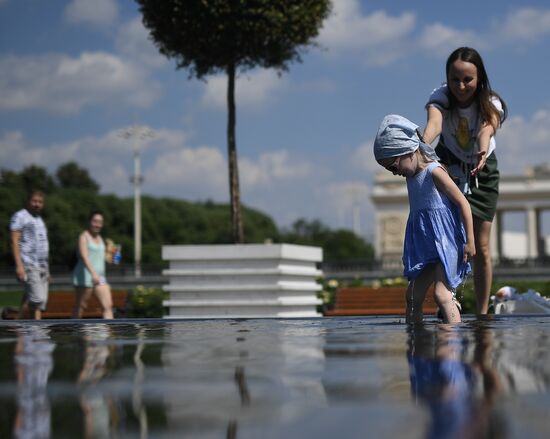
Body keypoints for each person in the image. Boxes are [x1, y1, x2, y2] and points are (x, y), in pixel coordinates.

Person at [421, 47, 508, 314]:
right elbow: (435, 123)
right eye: (454, 79)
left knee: (480, 246)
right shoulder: (440, 97)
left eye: (467, 79)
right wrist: (422, 143)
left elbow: (487, 128)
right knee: (450, 237)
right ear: (447, 78)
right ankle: (449, 299)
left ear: (479, 78)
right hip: (450, 166)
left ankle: (482, 312)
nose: (461, 86)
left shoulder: (491, 102)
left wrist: (482, 148)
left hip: (482, 171)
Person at [374, 114, 475, 323]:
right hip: (427, 247)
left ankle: (452, 344)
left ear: (408, 152)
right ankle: (416, 339)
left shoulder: (434, 172)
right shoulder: (411, 178)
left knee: (441, 294)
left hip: (448, 243)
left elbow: (462, 203)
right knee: (412, 296)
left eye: (393, 166)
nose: (394, 173)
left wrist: (470, 242)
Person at [10, 190, 50, 320]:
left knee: (38, 303)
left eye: (40, 202)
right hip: (28, 263)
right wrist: (19, 265)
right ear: (28, 201)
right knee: (37, 299)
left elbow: (43, 244)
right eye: (34, 201)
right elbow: (14, 240)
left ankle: (32, 331)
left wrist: (48, 270)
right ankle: (17, 321)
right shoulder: (20, 216)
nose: (37, 204)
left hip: (42, 266)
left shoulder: (39, 219)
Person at [72, 210, 114, 319]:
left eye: (100, 222)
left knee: (108, 306)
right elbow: (84, 257)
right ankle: (77, 333)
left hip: (100, 278)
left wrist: (112, 256)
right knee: (80, 307)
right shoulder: (83, 237)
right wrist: (93, 274)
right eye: (95, 221)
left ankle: (106, 334)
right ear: (89, 222)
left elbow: (105, 259)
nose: (97, 225)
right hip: (84, 277)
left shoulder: (101, 239)